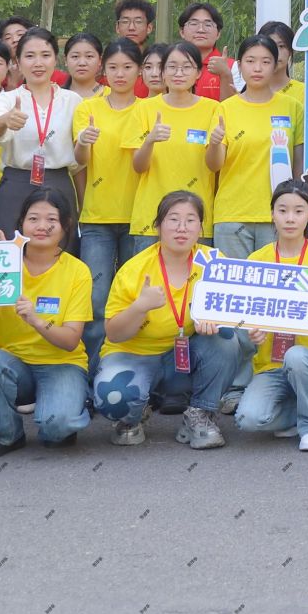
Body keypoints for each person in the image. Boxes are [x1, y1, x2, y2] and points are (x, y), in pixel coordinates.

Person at [95, 191, 232, 448]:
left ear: (201, 227)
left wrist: (216, 321)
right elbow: (114, 333)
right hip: (133, 355)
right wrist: (140, 307)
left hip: (180, 358)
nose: (182, 228)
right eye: (173, 219)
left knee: (226, 341)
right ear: (158, 226)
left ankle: (200, 415)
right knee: (112, 398)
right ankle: (133, 416)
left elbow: (232, 313)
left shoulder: (214, 262)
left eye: (190, 220)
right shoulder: (134, 269)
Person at [0, 187, 93, 459]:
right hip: (13, 363)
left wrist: (36, 320)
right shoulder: (4, 261)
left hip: (61, 363)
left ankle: (68, 410)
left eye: (51, 220)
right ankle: (5, 433)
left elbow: (71, 341)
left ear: (65, 225)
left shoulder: (77, 271)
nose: (42, 226)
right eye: (33, 219)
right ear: (21, 223)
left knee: (57, 428)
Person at [212, 34, 304, 410]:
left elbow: (298, 165)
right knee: (237, 302)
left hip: (278, 219)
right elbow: (214, 166)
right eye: (250, 61)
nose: (258, 68)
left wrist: (294, 210)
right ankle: (237, 385)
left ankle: (275, 381)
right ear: (240, 66)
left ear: (278, 63)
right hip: (232, 214)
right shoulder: (224, 109)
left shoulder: (292, 107)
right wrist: (215, 143)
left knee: (277, 301)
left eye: (266, 61)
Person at [234, 180, 308, 452]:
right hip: (271, 367)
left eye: (298, 211)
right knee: (249, 419)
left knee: (295, 356)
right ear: (272, 214)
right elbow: (247, 314)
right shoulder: (257, 260)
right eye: (282, 210)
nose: (290, 218)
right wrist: (252, 331)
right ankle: (298, 412)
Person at [73, 38, 147, 370]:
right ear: (103, 69)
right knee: (97, 297)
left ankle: (128, 366)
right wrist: (82, 142)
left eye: (127, 67)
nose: (120, 74)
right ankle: (92, 369)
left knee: (132, 297)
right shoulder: (87, 109)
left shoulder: (148, 109)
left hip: (140, 217)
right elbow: (80, 160)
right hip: (97, 216)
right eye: (113, 67)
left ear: (139, 70)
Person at [126, 42, 225, 254]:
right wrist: (150, 141)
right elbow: (138, 167)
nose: (179, 73)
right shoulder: (144, 109)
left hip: (196, 217)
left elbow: (215, 165)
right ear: (163, 72)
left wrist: (216, 143)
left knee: (195, 275)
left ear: (198, 73)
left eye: (187, 67)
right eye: (172, 66)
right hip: (150, 219)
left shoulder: (213, 109)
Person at [0, 27, 82, 241]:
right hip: (16, 183)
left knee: (60, 249)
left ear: (56, 60)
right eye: (29, 56)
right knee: (10, 248)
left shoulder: (73, 101)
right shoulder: (7, 99)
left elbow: (81, 155)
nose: (38, 63)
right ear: (18, 62)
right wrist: (5, 120)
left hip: (59, 182)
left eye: (45, 55)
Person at [176, 2, 234, 100]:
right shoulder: (170, 66)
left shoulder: (233, 67)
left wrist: (225, 74)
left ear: (218, 34)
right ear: (182, 32)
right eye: (194, 24)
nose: (201, 30)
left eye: (208, 24)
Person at [114, 0, 157, 96]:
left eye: (138, 22)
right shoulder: (105, 66)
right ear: (117, 27)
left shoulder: (160, 67)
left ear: (149, 27)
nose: (131, 28)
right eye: (125, 22)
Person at [260, 21, 304, 106]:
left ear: (291, 51)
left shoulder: (305, 93)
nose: (275, 52)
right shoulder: (250, 92)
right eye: (269, 46)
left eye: (281, 46)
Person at [64, 33, 105, 103]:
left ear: (100, 60)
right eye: (75, 56)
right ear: (65, 60)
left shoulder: (113, 96)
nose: (82, 63)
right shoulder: (55, 98)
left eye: (89, 56)